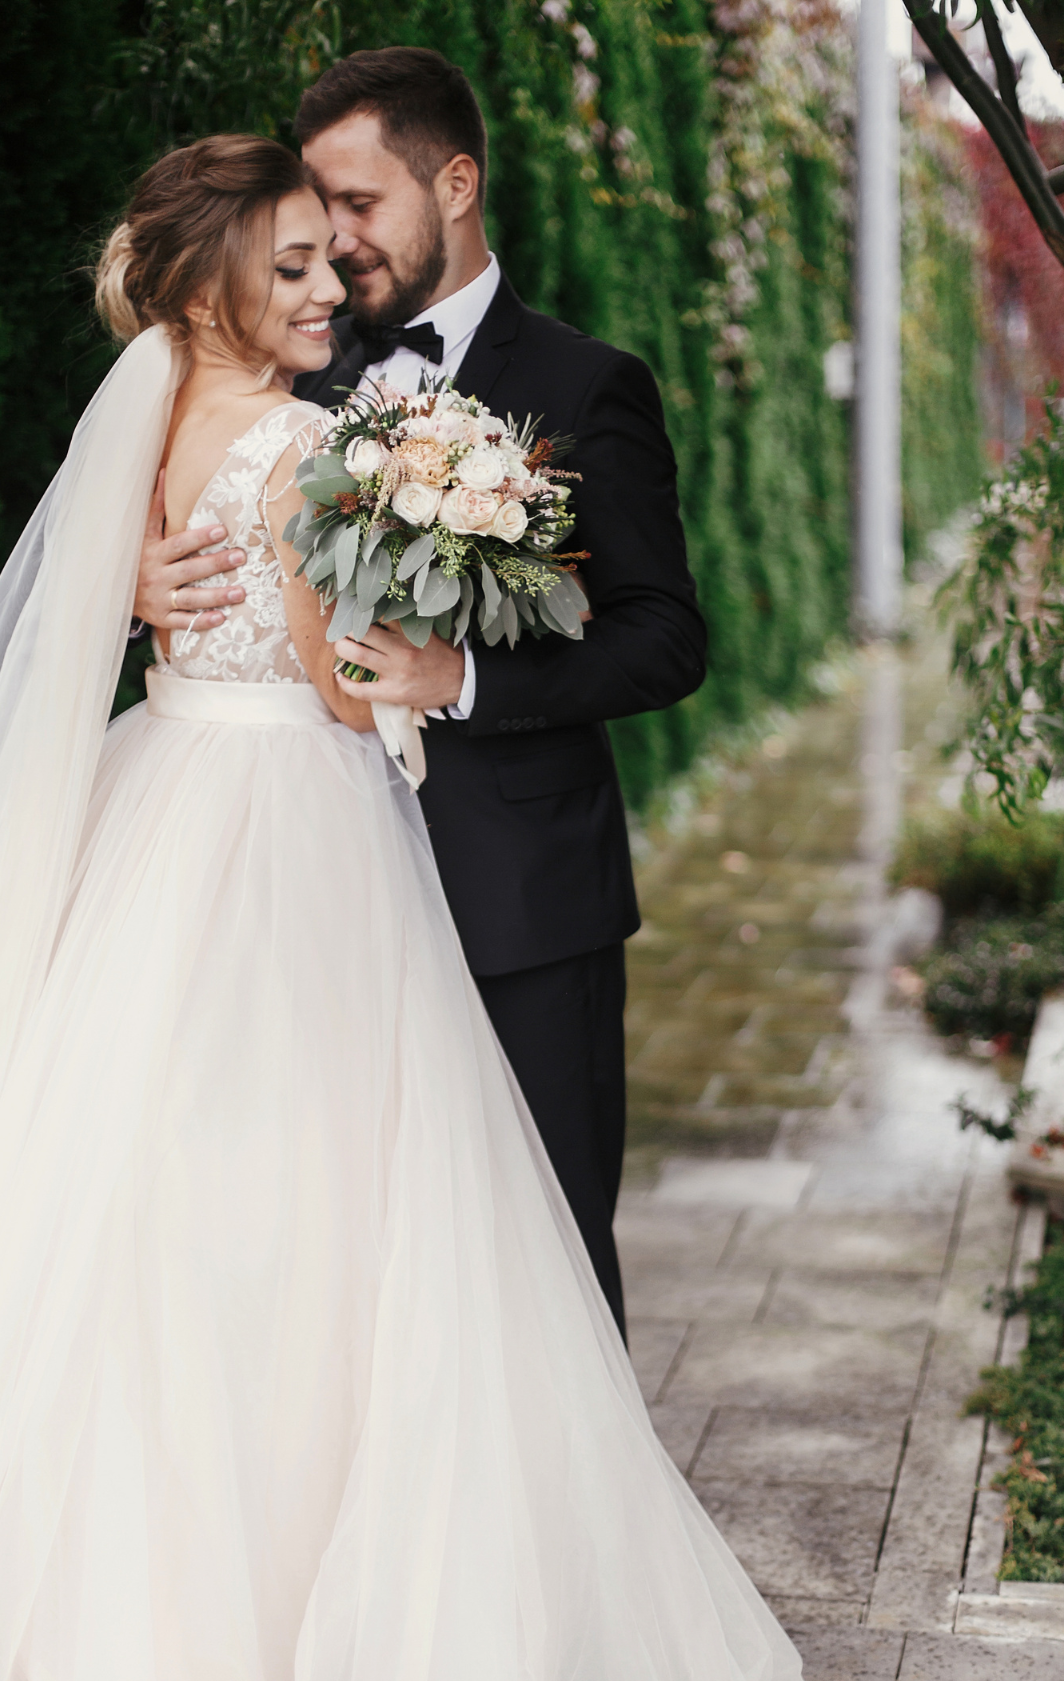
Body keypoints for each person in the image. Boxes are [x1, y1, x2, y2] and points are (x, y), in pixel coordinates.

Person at [0, 131, 830, 1681]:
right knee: (347, 1243)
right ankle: (338, 1665)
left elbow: (102, 611)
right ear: (216, 271)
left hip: (161, 828)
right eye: (290, 265)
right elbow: (325, 670)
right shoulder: (308, 442)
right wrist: (391, 654)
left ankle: (140, 1650)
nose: (325, 289)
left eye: (332, 254)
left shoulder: (138, 416)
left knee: (154, 1228)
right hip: (297, 842)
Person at [133, 48, 711, 1341]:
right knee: (334, 1269)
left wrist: (464, 681)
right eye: (311, 216)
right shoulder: (291, 370)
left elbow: (665, 638)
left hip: (520, 902)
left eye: (356, 205)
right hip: (313, 909)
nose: (332, 251)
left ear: (455, 183)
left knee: (548, 1266)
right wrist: (142, 579)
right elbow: (194, 492)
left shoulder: (584, 385)